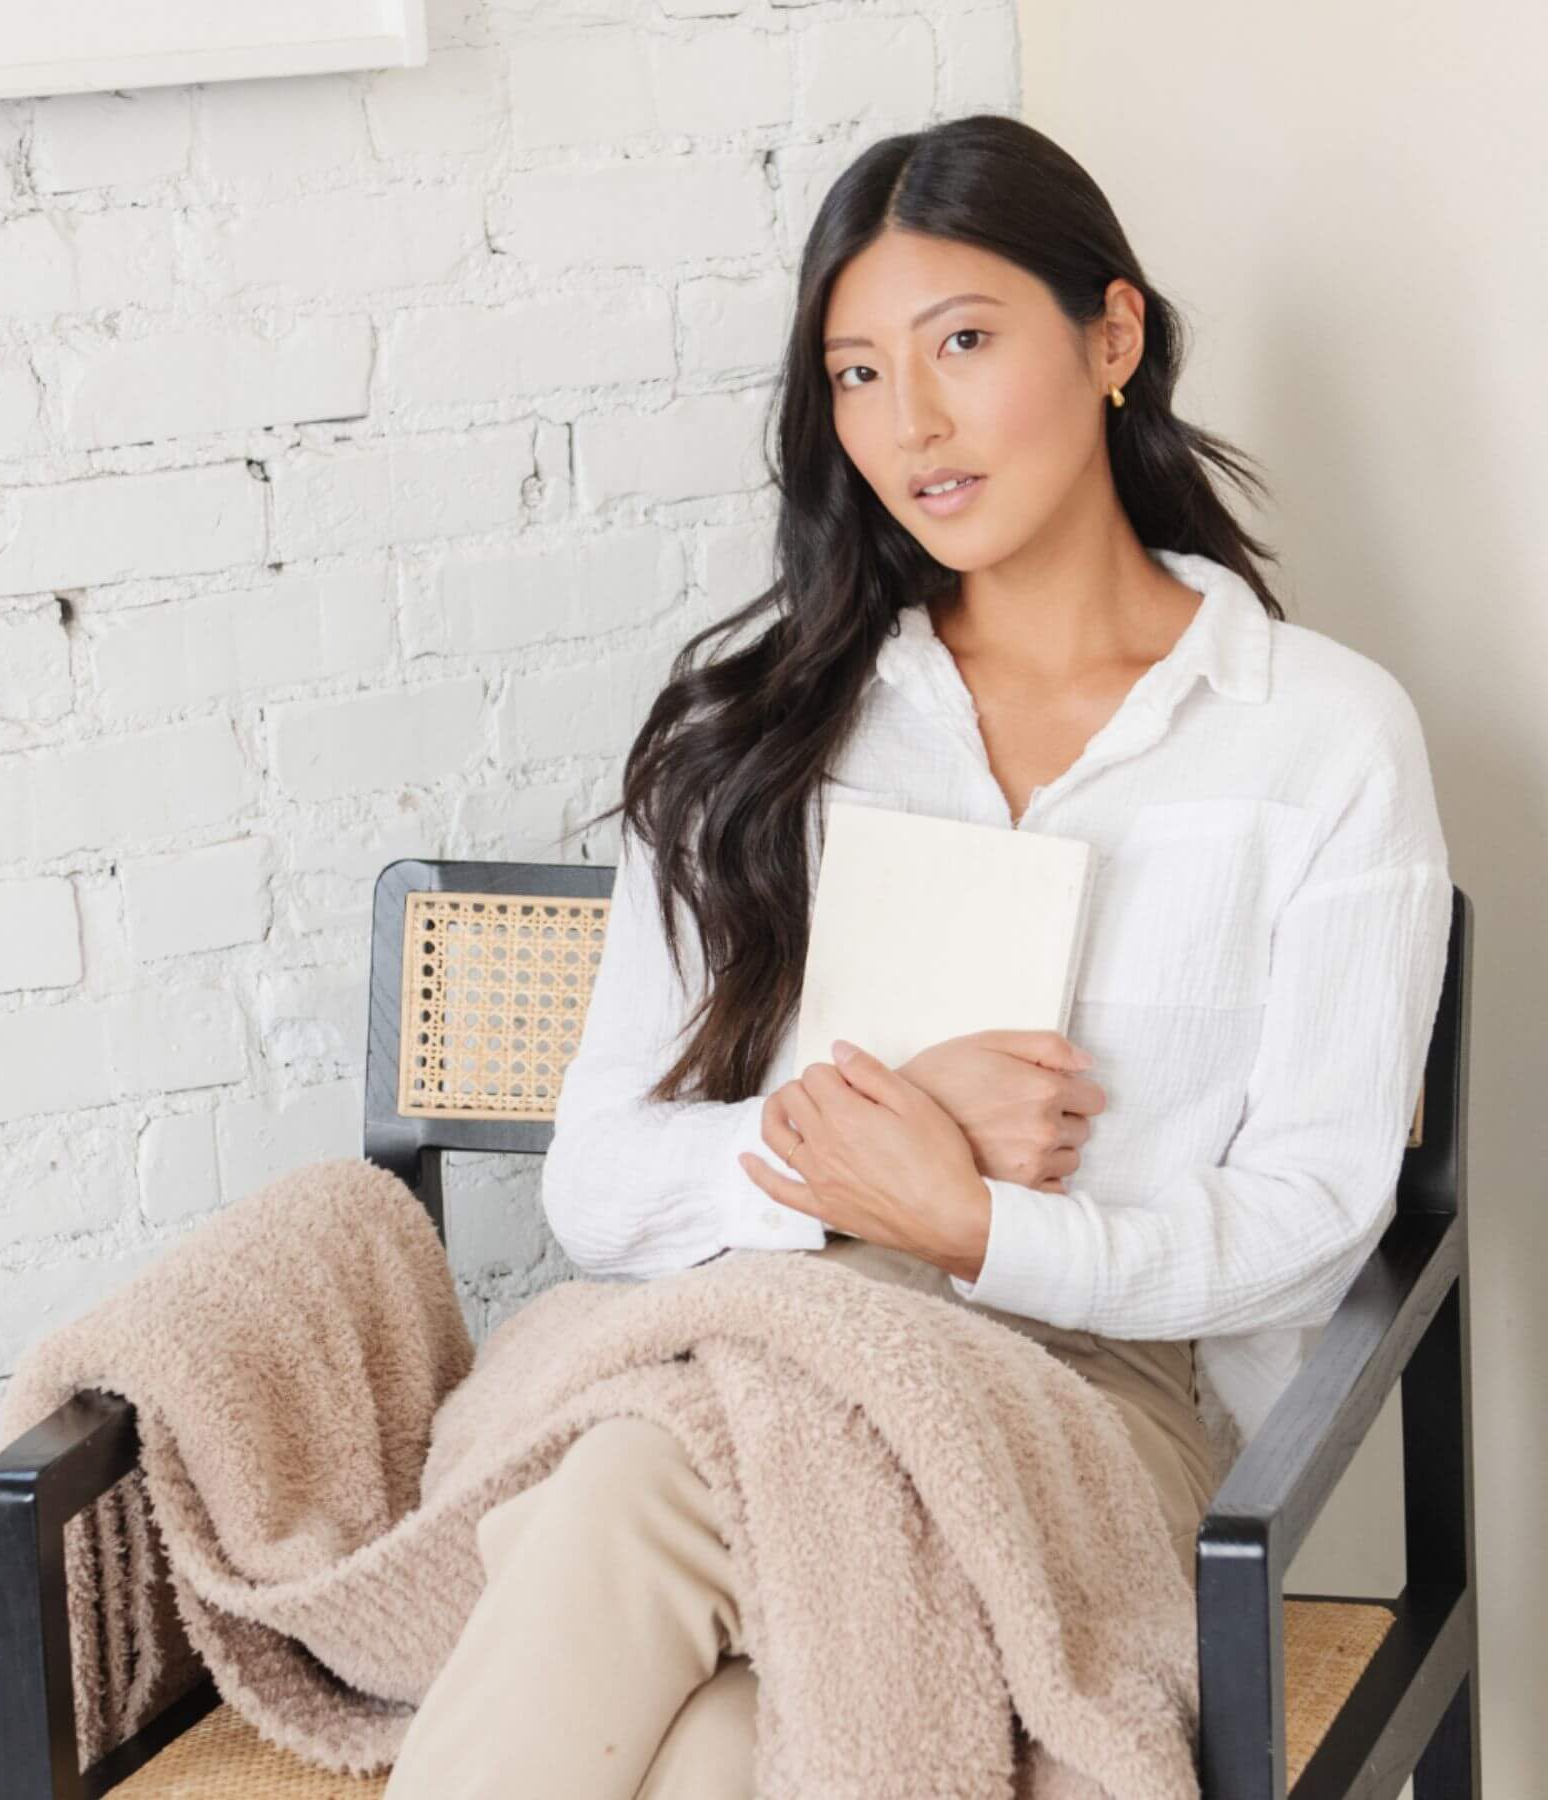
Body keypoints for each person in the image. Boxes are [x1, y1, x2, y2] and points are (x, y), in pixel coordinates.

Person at [384, 111, 1452, 1800]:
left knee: (633, 1484)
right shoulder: (763, 734)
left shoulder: (1318, 739)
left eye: (963, 343)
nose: (915, 425)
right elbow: (601, 1182)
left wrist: (979, 1225)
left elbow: (1316, 1225)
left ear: (1112, 337)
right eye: (860, 374)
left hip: (1105, 1423)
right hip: (782, 1345)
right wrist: (858, 1155)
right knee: (714, 1754)